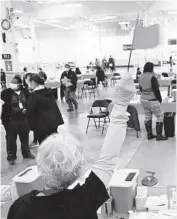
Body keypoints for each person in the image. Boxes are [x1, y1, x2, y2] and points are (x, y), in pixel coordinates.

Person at [7, 74, 135, 219]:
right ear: (78, 169)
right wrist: (120, 106)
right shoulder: (83, 199)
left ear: (40, 165)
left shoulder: (20, 208)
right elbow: (107, 161)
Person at [1, 76, 35, 165]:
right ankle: (11, 157)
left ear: (19, 84)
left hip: (23, 118)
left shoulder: (26, 92)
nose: (11, 84)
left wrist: (27, 109)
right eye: (11, 82)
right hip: (11, 120)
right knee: (11, 139)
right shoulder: (5, 93)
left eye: (14, 83)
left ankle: (26, 153)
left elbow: (30, 103)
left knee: (24, 137)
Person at [26, 73, 64, 144]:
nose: (28, 84)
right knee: (54, 143)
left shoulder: (34, 95)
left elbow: (30, 111)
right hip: (53, 122)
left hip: (42, 125)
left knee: (44, 146)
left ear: (33, 82)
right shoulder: (48, 92)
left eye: (29, 82)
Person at [139, 62, 168, 141]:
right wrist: (160, 99)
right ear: (151, 68)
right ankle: (159, 136)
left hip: (143, 99)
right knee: (160, 116)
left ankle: (149, 135)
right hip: (152, 100)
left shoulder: (141, 76)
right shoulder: (152, 77)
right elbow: (156, 90)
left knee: (148, 116)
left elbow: (140, 88)